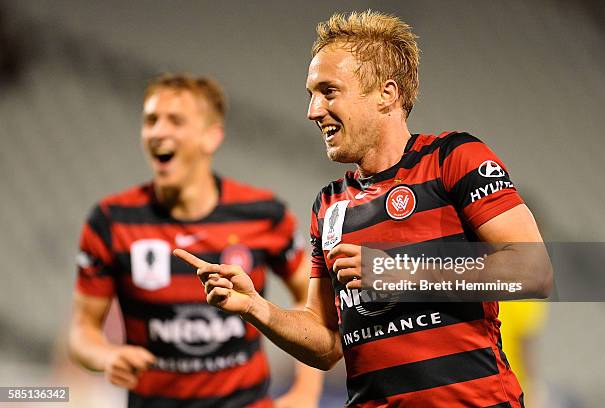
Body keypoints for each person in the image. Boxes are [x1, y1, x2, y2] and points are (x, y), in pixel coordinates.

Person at [176, 10, 553, 407]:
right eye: (311, 94)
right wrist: (256, 307)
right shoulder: (329, 205)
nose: (313, 110)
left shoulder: (453, 159)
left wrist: (397, 271)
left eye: (329, 91)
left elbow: (534, 271)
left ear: (386, 94)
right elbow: (327, 344)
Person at [68, 73, 323, 408]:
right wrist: (105, 357)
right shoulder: (111, 221)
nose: (158, 132)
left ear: (211, 137)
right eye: (150, 120)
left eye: (175, 120)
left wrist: (305, 395)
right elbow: (82, 330)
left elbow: (314, 305)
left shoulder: (263, 215)